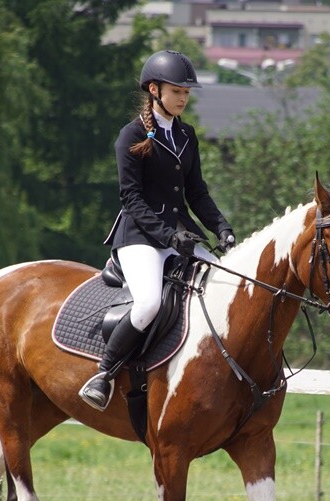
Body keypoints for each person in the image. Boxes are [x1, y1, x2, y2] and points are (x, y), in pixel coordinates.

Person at [79, 50, 236, 411]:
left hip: (179, 237)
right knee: (148, 302)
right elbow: (131, 199)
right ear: (154, 89)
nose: (184, 97)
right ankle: (103, 374)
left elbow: (197, 192)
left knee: (223, 284)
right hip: (139, 238)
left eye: (187, 92)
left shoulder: (186, 135)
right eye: (177, 91)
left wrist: (221, 227)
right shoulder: (130, 135)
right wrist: (168, 237)